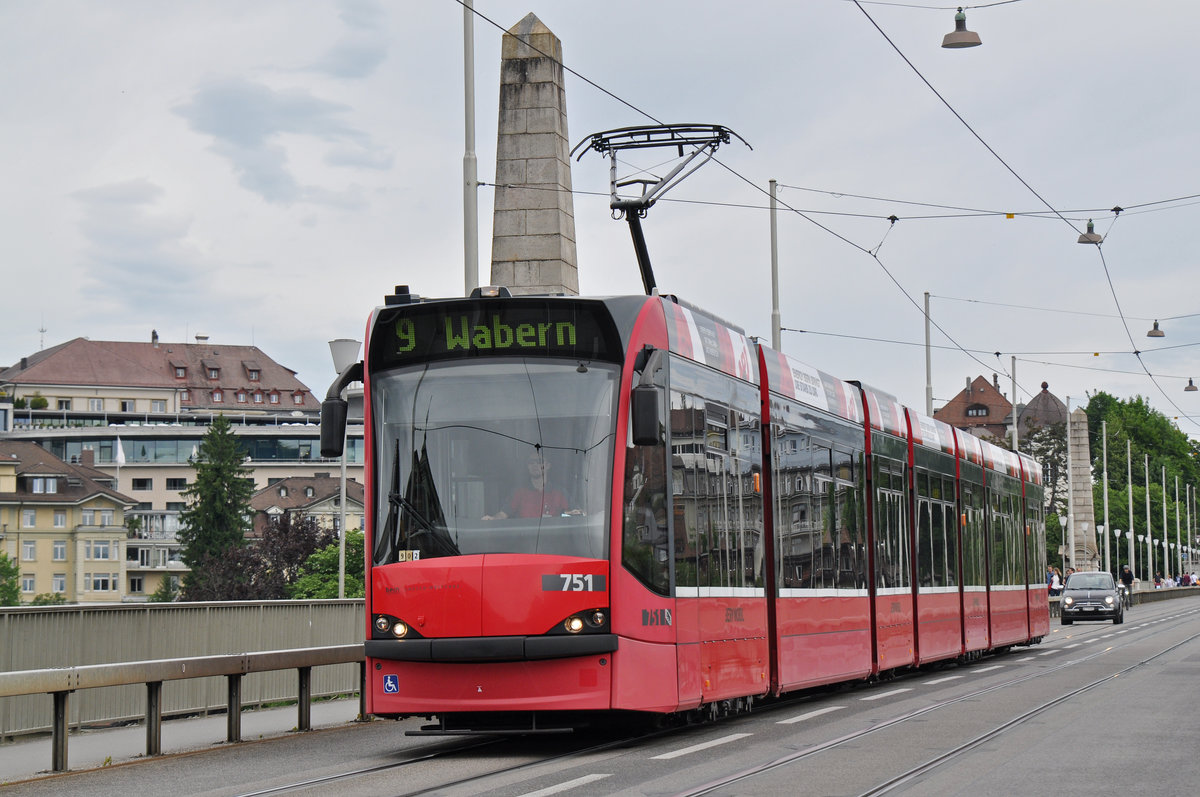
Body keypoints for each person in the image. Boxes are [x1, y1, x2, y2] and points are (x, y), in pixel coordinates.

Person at [483, 451, 576, 519]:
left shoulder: (560, 492)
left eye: (539, 461)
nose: (535, 465)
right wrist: (493, 519)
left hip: (554, 542)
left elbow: (575, 513)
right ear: (527, 466)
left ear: (548, 466)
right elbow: (503, 514)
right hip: (525, 543)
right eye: (531, 462)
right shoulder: (518, 492)